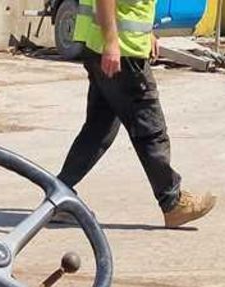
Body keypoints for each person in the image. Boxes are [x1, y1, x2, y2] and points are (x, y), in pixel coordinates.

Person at [57, 0, 216, 229]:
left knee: (97, 131)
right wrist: (112, 42)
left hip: (105, 49)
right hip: (122, 55)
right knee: (150, 131)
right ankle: (173, 203)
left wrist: (147, 33)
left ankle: (59, 195)